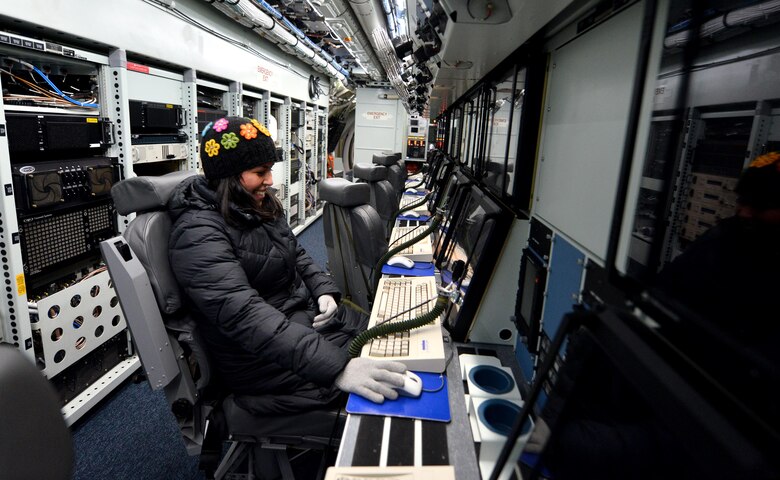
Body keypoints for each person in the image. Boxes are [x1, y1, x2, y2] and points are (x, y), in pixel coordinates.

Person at [523, 152, 780, 478]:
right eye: (744, 201)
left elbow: (726, 431)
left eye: (761, 205)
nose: (746, 212)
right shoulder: (723, 244)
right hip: (643, 410)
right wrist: (553, 416)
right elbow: (629, 323)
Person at [167, 116, 407, 414]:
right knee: (388, 389)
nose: (269, 180)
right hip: (259, 359)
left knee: (389, 337)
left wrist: (324, 291)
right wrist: (336, 368)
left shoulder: (255, 206)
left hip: (297, 327)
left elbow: (297, 254)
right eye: (260, 172)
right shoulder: (198, 234)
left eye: (269, 170)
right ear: (228, 176)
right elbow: (245, 315)